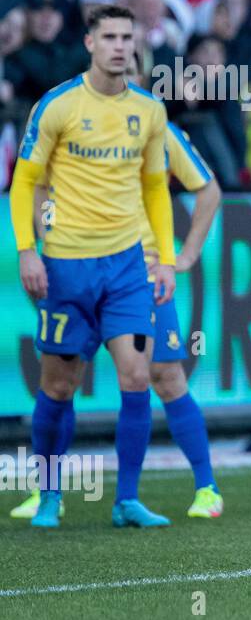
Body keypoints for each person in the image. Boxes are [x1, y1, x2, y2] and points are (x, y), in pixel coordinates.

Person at [9, 3, 177, 529]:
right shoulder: (58, 105)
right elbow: (23, 180)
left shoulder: (149, 110)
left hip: (128, 265)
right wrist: (27, 249)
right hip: (66, 265)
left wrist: (165, 260)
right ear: (89, 43)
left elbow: (155, 187)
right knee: (58, 385)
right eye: (109, 37)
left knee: (136, 377)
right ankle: (49, 494)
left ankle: (126, 499)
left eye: (128, 37)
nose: (120, 46)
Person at [11, 118, 225, 522]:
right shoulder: (69, 118)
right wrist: (45, 238)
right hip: (73, 274)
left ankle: (204, 488)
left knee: (162, 375)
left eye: (130, 56)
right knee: (60, 380)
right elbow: (36, 183)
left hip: (138, 277)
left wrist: (187, 254)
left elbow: (208, 188)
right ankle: (47, 491)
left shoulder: (158, 128)